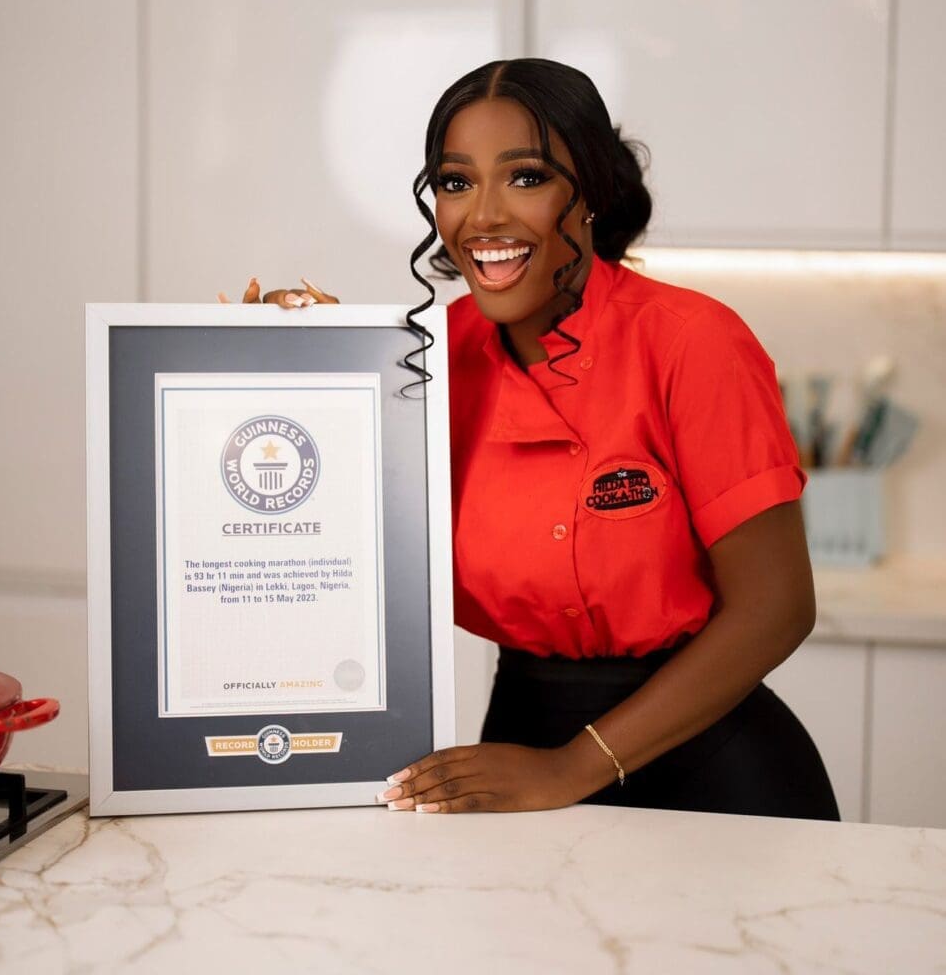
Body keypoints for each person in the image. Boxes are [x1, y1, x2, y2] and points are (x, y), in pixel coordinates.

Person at [238, 58, 840, 822]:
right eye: (456, 183)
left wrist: (572, 769)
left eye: (524, 177)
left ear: (590, 191)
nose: (482, 216)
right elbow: (323, 551)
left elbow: (777, 608)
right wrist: (292, 367)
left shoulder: (692, 342)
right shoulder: (420, 361)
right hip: (516, 744)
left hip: (713, 770)